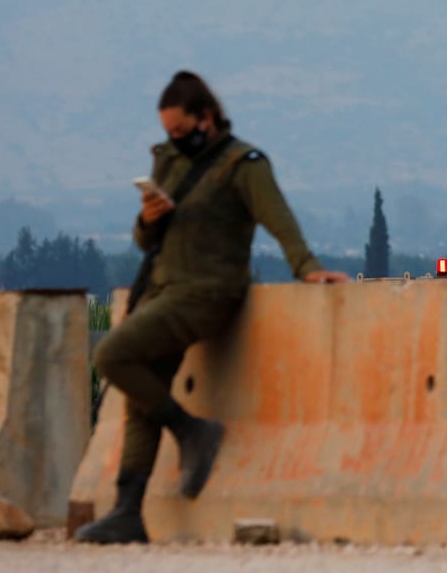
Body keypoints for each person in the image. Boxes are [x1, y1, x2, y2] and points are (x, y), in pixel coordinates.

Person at [75, 71, 347, 544]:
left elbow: (278, 219)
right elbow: (145, 240)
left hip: (207, 294)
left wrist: (306, 266)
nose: (176, 140)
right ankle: (127, 511)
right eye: (169, 134)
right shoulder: (169, 162)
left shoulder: (243, 165)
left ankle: (192, 432)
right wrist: (147, 218)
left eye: (182, 131)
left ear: (207, 117)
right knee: (144, 396)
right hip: (162, 289)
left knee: (112, 356)